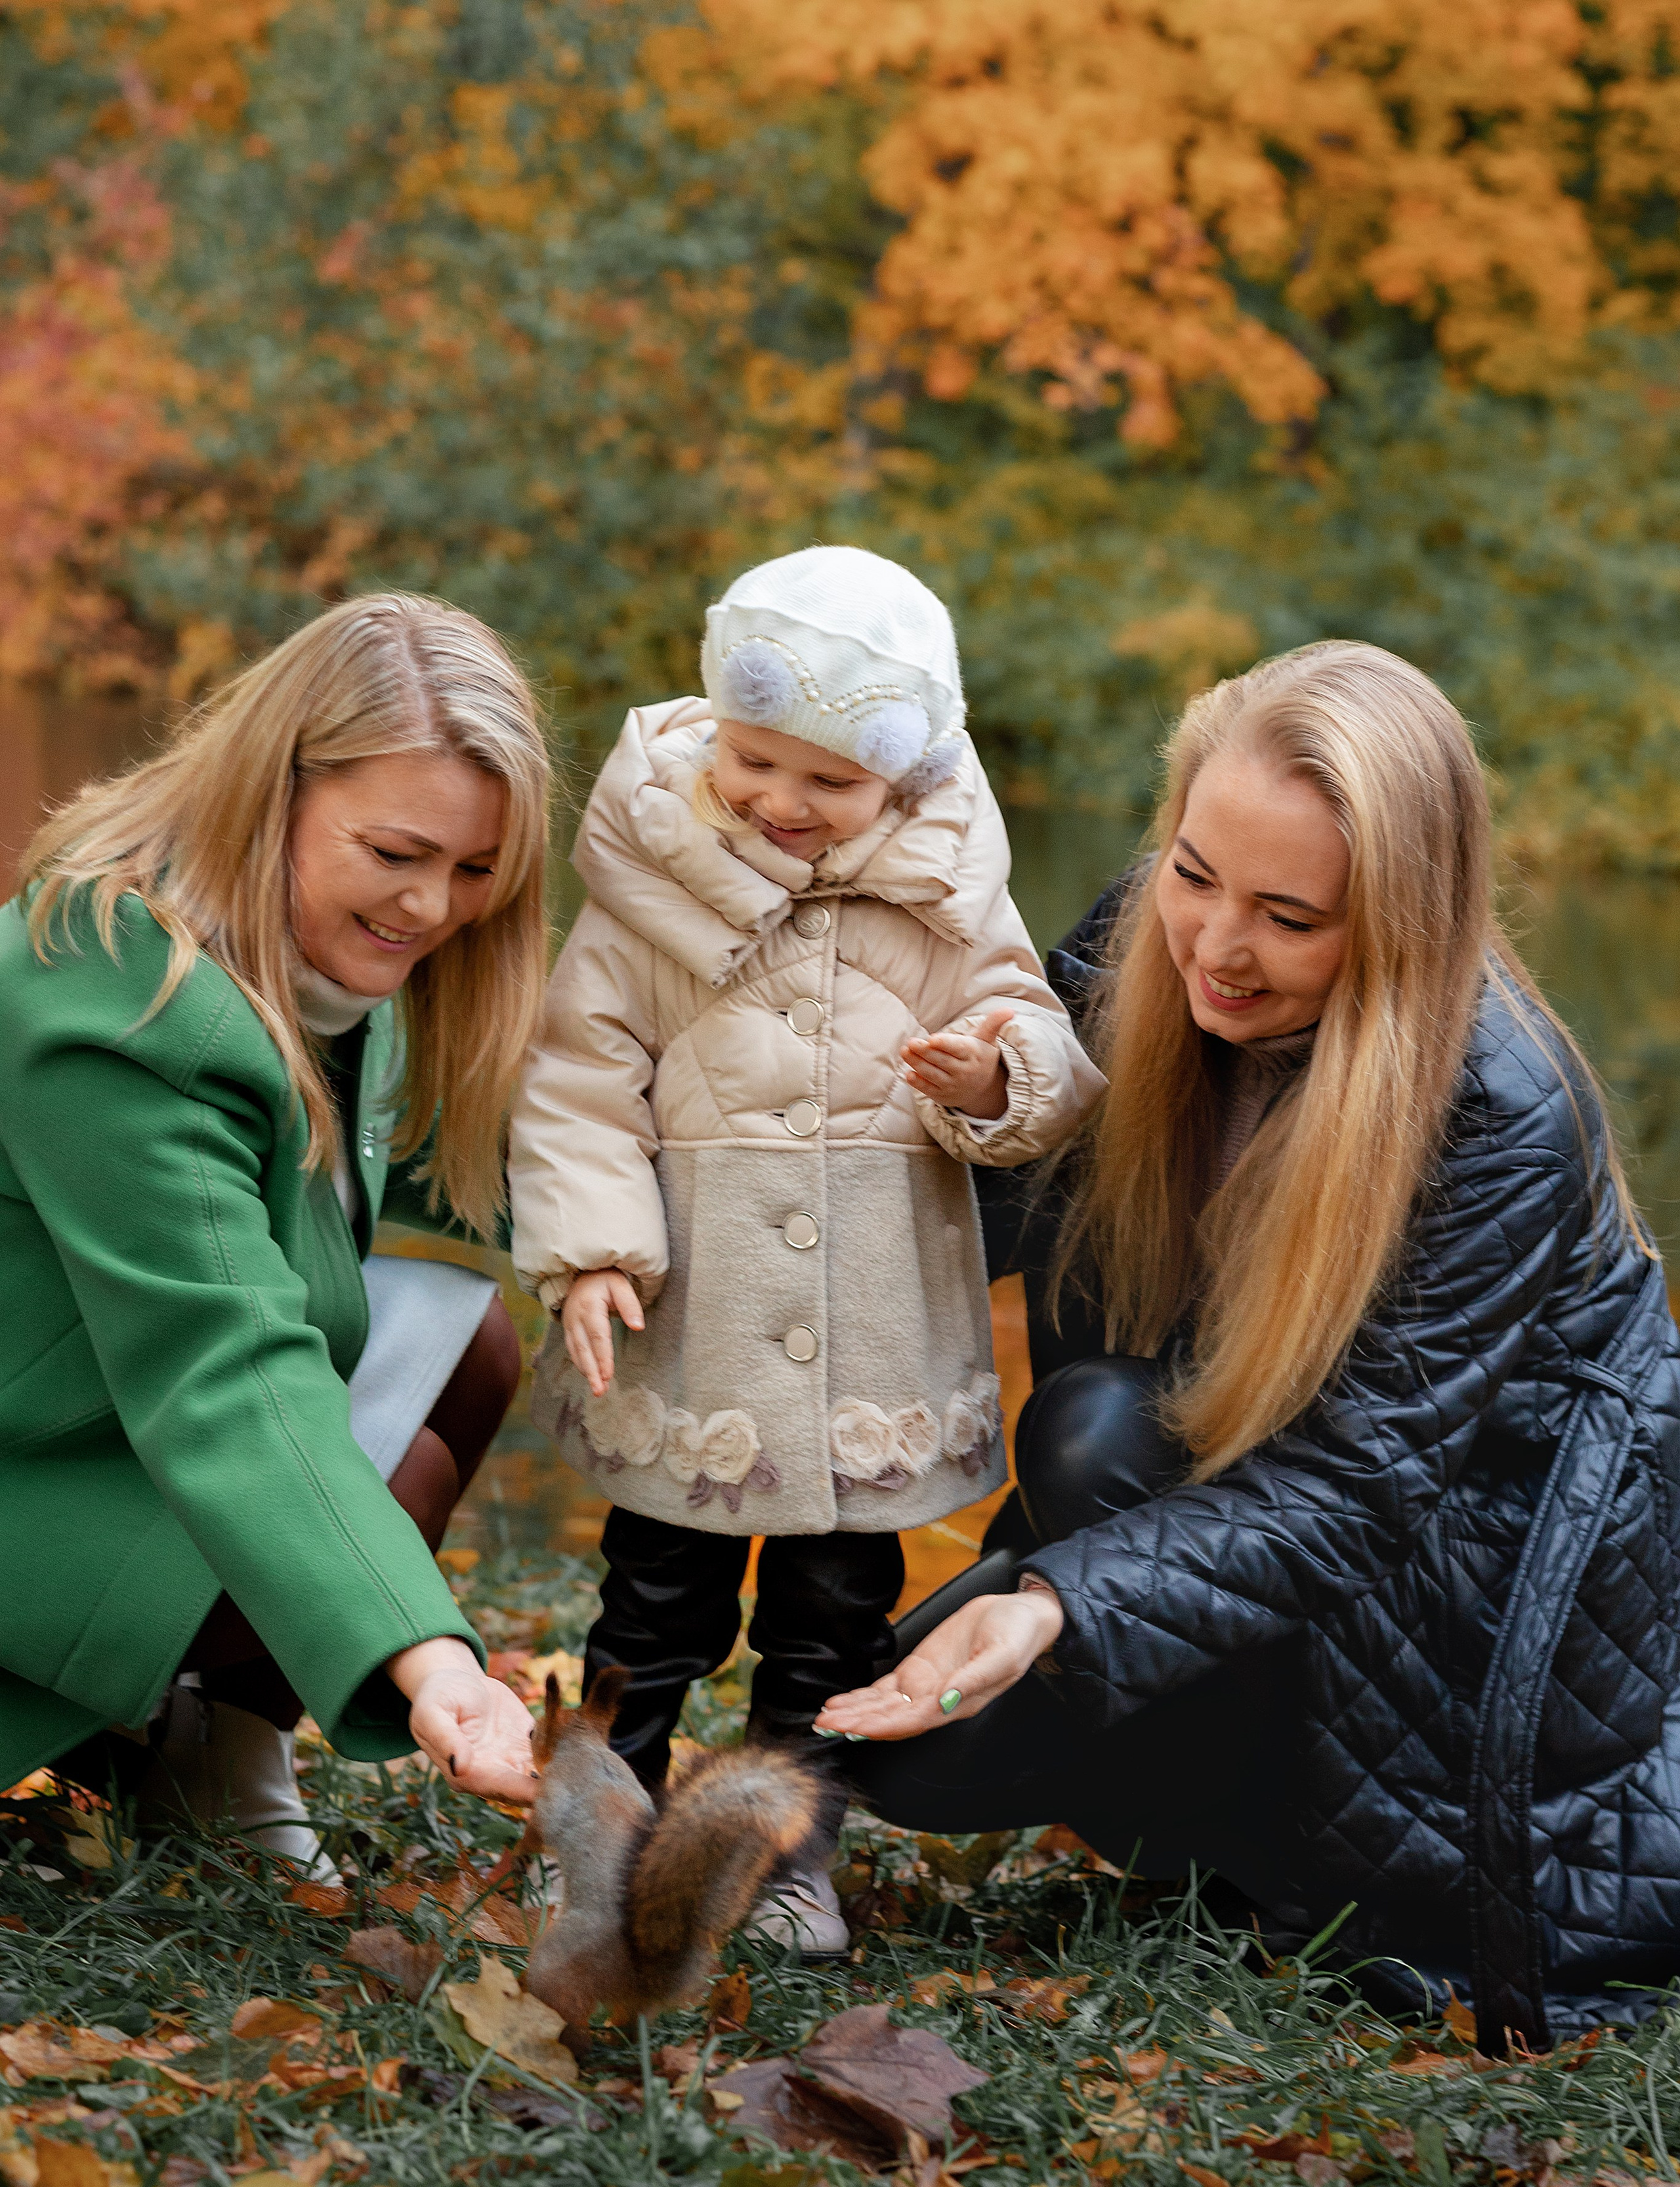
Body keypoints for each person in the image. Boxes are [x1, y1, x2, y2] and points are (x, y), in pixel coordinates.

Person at [818, 640, 1680, 2051]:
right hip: (1245, 1482)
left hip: (1472, 1575)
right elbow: (988, 1217)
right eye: (1192, 872)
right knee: (900, 1754)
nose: (1214, 947)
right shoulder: (1143, 944)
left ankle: (1272, 1856)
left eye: (1289, 916)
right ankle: (1216, 1822)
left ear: (1404, 918)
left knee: (1087, 1457)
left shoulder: (1498, 1111)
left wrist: (1057, 1607)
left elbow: (1356, 1487)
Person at [507, 545, 1104, 1952]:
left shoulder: (950, 896)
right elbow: (578, 1073)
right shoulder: (650, 878)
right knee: (654, 1599)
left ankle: (781, 1845)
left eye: (824, 784)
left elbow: (1044, 1045)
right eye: (753, 762)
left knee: (830, 1612)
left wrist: (992, 1078)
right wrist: (593, 1245)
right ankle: (595, 1823)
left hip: (875, 1313)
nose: (778, 802)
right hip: (698, 1312)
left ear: (900, 780)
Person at [0, 593, 547, 1871]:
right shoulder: (113, 984)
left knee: (470, 1345)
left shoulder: (340, 966)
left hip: (95, 1415)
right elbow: (222, 1363)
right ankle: (138, 1714)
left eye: (475, 870)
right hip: (35, 1459)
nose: (431, 907)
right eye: (395, 852)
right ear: (274, 790)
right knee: (380, 1425)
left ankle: (215, 1750)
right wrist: (432, 1659)